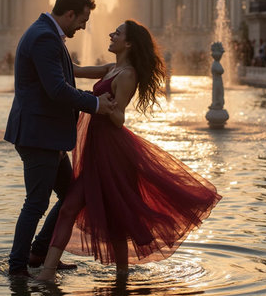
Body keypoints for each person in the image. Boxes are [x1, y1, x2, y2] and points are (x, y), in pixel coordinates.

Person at [37, 20, 222, 281]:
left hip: (112, 153)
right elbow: (75, 69)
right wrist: (56, 42)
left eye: (118, 33)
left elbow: (120, 118)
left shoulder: (128, 74)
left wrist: (105, 107)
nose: (111, 34)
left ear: (129, 43)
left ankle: (121, 276)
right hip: (97, 149)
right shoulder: (112, 68)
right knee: (71, 209)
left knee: (115, 217)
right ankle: (49, 272)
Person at [4, 0, 117, 277]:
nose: (84, 26)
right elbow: (56, 89)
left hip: (46, 135)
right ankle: (17, 267)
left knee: (71, 195)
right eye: (82, 19)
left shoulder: (47, 32)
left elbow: (67, 70)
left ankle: (40, 251)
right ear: (69, 14)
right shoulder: (45, 37)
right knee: (36, 203)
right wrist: (95, 104)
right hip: (39, 136)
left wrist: (101, 70)